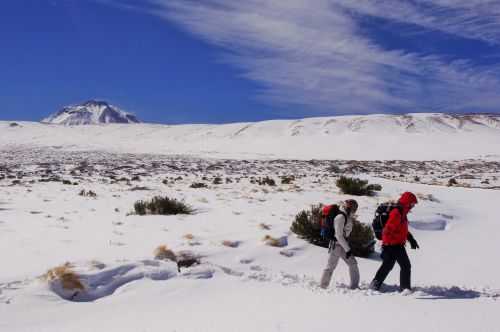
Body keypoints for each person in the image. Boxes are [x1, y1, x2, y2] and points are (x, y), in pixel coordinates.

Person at [370, 192, 420, 293]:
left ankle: (375, 284)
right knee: (406, 266)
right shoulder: (397, 213)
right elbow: (388, 229)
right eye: (412, 204)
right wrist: (386, 245)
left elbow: (402, 229)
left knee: (388, 265)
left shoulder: (402, 212)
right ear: (407, 202)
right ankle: (405, 289)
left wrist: (411, 239)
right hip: (394, 245)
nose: (413, 206)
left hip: (395, 244)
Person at [320, 199, 360, 290]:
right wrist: (348, 249)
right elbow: (338, 235)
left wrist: (347, 247)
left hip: (342, 245)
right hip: (336, 246)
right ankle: (322, 286)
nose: (354, 211)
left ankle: (355, 287)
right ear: (348, 208)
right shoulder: (340, 217)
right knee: (330, 266)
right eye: (354, 209)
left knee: (353, 263)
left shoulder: (346, 216)